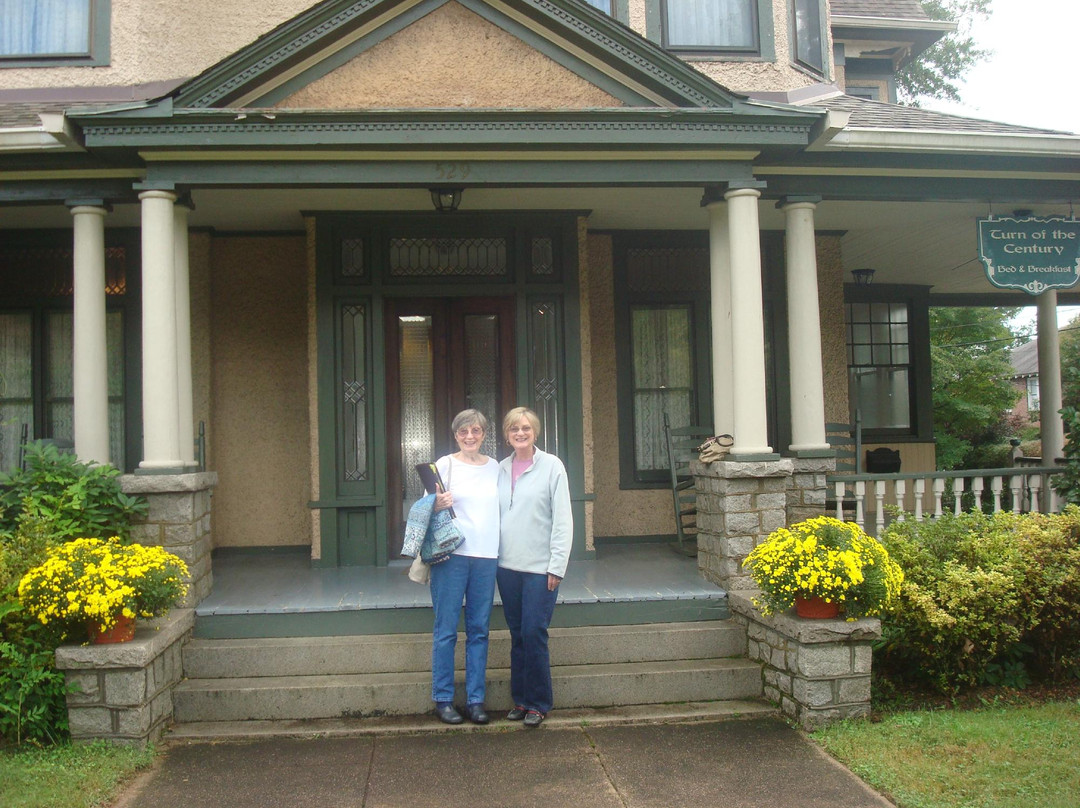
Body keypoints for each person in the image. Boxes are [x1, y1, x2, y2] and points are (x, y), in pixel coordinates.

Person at [496, 406, 572, 728]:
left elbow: (563, 521)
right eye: (514, 429)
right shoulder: (499, 469)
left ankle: (539, 703)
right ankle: (522, 700)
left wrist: (557, 566)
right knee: (517, 635)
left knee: (533, 632)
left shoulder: (552, 467)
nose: (520, 433)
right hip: (507, 567)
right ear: (507, 434)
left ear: (535, 432)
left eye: (526, 428)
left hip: (541, 568)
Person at [428, 409, 500, 725]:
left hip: (487, 556)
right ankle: (443, 699)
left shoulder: (496, 467)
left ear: (485, 433)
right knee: (446, 630)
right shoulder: (445, 464)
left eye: (475, 431)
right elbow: (424, 504)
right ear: (455, 435)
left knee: (479, 630)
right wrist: (436, 502)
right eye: (462, 432)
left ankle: (475, 700)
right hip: (452, 556)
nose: (469, 437)